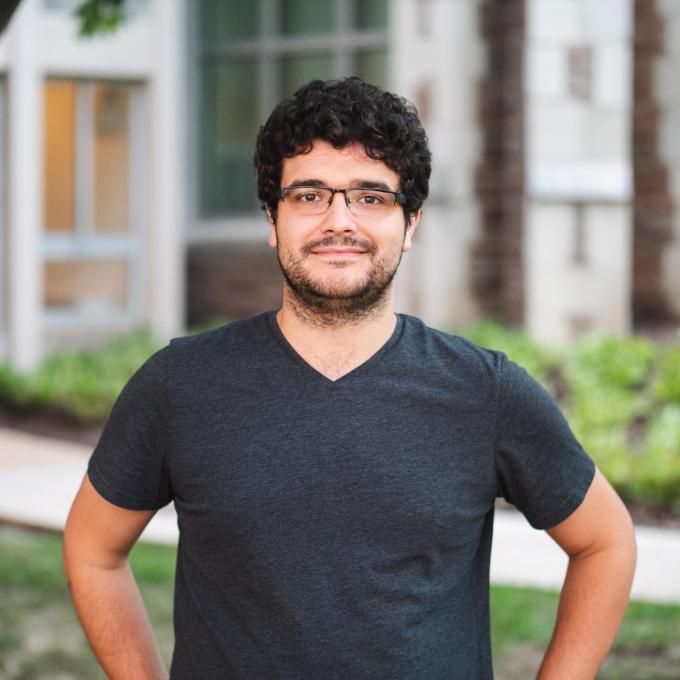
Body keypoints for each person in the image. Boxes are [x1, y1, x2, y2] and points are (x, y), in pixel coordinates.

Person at [63, 77, 636, 680]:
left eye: (370, 197)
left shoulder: (483, 392)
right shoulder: (179, 385)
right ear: (272, 218)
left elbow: (605, 543)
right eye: (309, 196)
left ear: (409, 223)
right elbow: (94, 548)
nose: (339, 221)